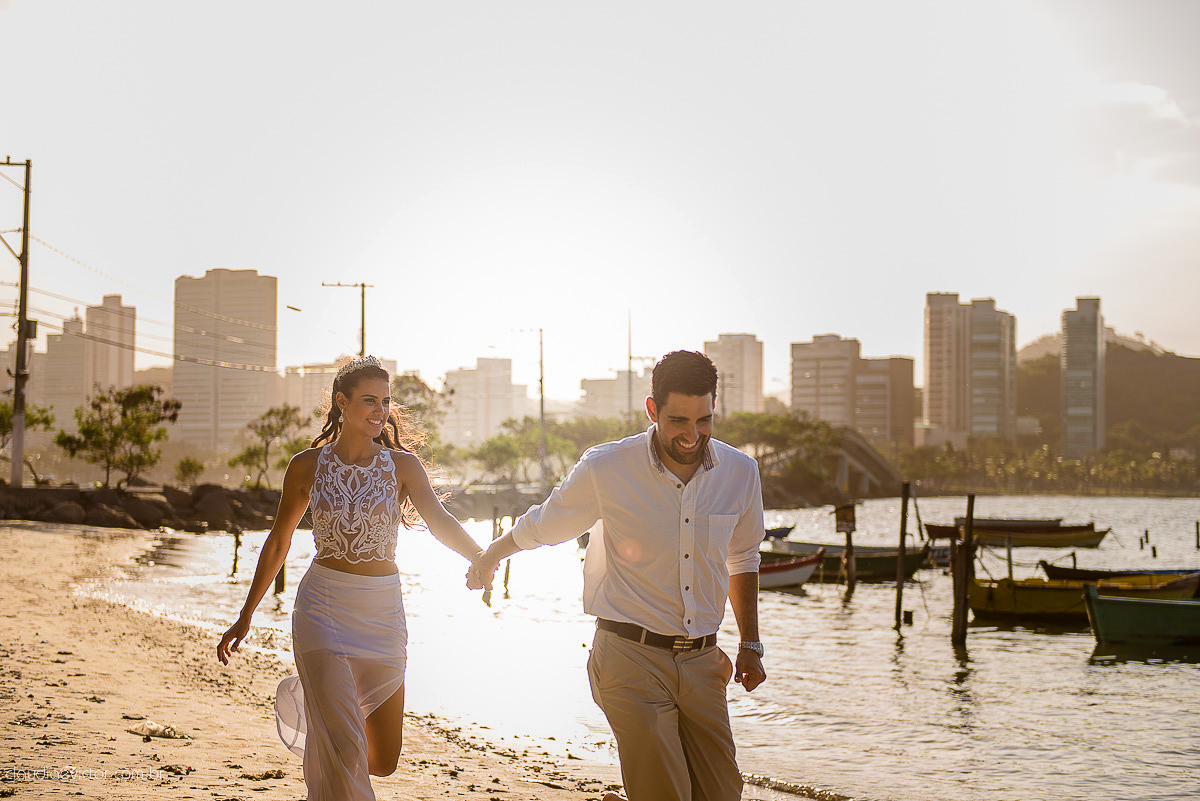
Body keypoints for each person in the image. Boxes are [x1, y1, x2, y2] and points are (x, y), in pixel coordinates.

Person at [468, 350, 766, 801]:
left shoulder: (740, 474)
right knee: (667, 794)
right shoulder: (606, 468)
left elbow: (743, 558)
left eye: (703, 420)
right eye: (678, 421)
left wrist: (749, 644)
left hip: (704, 662)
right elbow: (545, 524)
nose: (692, 434)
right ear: (653, 410)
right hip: (631, 655)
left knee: (723, 793)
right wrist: (492, 554)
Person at [217, 355, 487, 801]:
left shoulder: (402, 467)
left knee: (382, 759)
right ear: (342, 402)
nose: (380, 411)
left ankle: (326, 724)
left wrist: (479, 555)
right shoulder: (306, 466)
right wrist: (246, 615)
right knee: (344, 746)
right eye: (368, 401)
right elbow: (279, 542)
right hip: (322, 611)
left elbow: (438, 520)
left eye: (385, 402)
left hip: (382, 615)